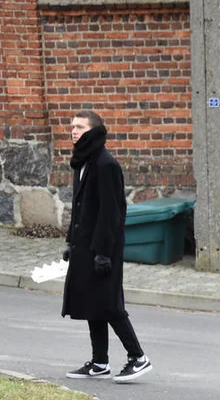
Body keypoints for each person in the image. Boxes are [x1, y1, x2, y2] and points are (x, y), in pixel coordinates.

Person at [62, 110, 152, 383]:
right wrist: (71, 241)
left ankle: (138, 357)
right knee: (93, 304)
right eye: (72, 127)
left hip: (104, 250)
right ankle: (100, 361)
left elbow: (111, 213)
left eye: (80, 127)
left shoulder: (105, 164)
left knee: (110, 305)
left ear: (94, 131)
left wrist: (102, 253)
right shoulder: (83, 162)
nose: (74, 131)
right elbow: (81, 209)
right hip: (85, 246)